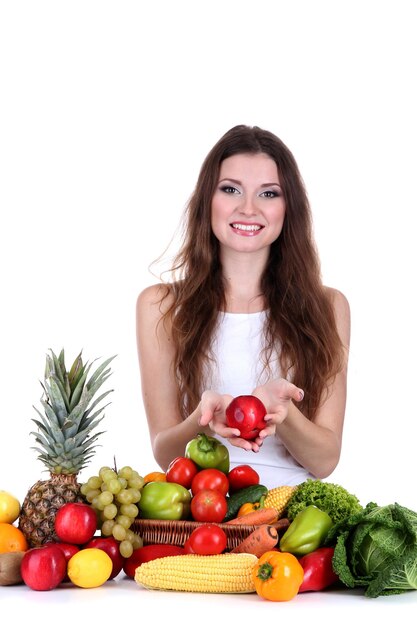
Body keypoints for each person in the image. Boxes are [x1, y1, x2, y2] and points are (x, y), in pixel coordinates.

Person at [136, 125, 350, 488]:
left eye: (268, 193)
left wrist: (283, 414)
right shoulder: (161, 306)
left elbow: (326, 459)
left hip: (293, 518)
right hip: (202, 513)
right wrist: (202, 418)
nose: (248, 208)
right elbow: (164, 452)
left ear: (288, 208)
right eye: (231, 189)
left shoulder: (328, 306)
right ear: (208, 199)